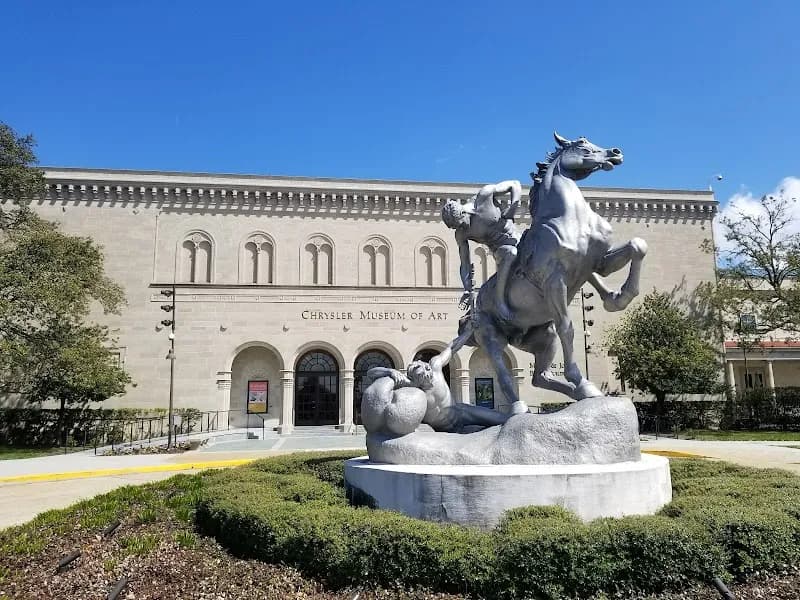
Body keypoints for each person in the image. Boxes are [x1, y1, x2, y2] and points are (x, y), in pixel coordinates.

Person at [366, 330, 509, 433]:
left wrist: (469, 331)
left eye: (425, 369)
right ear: (414, 377)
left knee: (502, 420)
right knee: (480, 436)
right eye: (420, 373)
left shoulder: (435, 366)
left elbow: (452, 347)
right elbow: (371, 373)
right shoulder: (411, 385)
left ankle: (521, 420)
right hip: (444, 431)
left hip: (461, 413)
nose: (426, 372)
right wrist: (389, 371)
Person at [441, 180, 522, 321]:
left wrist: (513, 205)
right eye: (456, 227)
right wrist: (467, 288)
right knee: (511, 254)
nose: (461, 228)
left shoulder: (484, 197)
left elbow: (514, 184)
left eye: (460, 223)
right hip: (501, 249)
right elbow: (464, 262)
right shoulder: (461, 234)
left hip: (518, 238)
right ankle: (500, 301)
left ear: (464, 212)